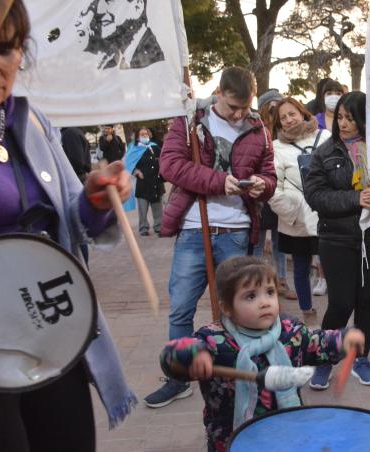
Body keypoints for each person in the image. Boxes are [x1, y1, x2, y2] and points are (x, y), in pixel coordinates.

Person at [0, 1, 136, 450]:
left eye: (8, 50)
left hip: (50, 325)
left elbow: (73, 219)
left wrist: (95, 199)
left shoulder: (32, 121)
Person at [146, 66, 276, 408]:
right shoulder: (189, 120)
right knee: (181, 308)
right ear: (219, 93)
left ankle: (240, 373)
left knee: (240, 308)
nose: (238, 114)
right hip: (194, 228)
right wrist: (218, 182)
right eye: (233, 107)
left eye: (244, 108)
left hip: (237, 229)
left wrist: (264, 186)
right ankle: (179, 375)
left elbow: (269, 173)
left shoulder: (257, 126)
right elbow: (170, 165)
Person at [159, 256, 364, 451]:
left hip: (286, 434)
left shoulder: (289, 331)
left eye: (270, 292)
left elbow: (316, 343)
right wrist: (192, 355)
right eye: (251, 296)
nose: (264, 302)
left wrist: (342, 340)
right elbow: (171, 357)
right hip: (230, 439)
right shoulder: (213, 341)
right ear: (227, 307)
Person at [304, 91, 370, 388]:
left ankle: (361, 355)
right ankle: (325, 357)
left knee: (368, 301)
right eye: (340, 117)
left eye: (350, 118)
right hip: (337, 237)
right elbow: (315, 195)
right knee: (340, 303)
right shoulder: (325, 152)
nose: (343, 124)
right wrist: (357, 198)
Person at [268, 97, 331, 319]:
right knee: (302, 267)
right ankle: (308, 312)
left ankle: (336, 313)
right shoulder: (276, 147)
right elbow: (273, 185)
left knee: (333, 265)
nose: (288, 120)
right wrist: (292, 213)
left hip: (328, 215)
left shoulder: (326, 137)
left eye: (291, 113)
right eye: (282, 118)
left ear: (302, 112)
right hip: (297, 219)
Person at [254, 88, 294, 299]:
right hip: (261, 194)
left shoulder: (286, 133)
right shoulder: (255, 130)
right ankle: (260, 282)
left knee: (281, 241)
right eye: (271, 107)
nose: (275, 111)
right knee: (258, 241)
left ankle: (281, 281)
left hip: (282, 192)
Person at [77, 0, 165, 70]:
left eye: (110, 2)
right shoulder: (110, 53)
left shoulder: (152, 59)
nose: (100, 10)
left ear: (137, 7)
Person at [125, 127, 164, 236]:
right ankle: (143, 228)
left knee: (157, 207)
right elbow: (128, 163)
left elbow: (163, 159)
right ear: (137, 137)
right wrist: (136, 172)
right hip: (143, 183)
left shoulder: (155, 147)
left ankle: (159, 226)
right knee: (143, 208)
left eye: (146, 134)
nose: (144, 136)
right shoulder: (134, 149)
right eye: (142, 135)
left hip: (155, 181)